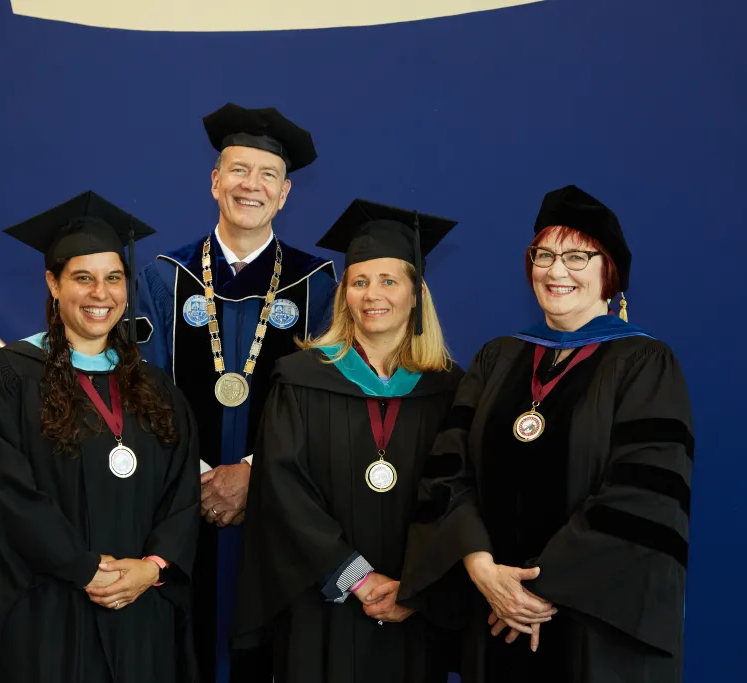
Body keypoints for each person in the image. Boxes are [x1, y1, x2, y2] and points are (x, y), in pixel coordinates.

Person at [399, 185, 694, 682]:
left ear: (609, 272)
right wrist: (481, 568)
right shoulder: (498, 358)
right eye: (545, 254)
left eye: (578, 256)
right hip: (491, 612)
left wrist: (535, 590)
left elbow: (643, 495)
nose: (556, 271)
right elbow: (447, 472)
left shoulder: (644, 363)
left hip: (592, 623)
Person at [0, 191, 201, 683]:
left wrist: (153, 567)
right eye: (82, 278)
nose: (99, 294)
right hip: (46, 608)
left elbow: (182, 493)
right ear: (53, 284)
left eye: (113, 278)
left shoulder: (156, 388)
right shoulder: (5, 378)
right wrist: (81, 566)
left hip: (139, 606)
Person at [136, 103, 338, 683]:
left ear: (285, 193)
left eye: (267, 174)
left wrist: (252, 470)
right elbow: (145, 388)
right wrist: (197, 475)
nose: (251, 185)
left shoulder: (320, 285)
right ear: (215, 181)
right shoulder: (163, 277)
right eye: (239, 169)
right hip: (181, 501)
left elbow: (325, 404)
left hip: (277, 503)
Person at [233, 199, 466, 683]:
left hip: (412, 606)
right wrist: (355, 577)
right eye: (358, 282)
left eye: (388, 281)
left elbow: (459, 496)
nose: (372, 295)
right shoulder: (300, 380)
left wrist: (414, 586)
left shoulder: (450, 390)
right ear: (344, 295)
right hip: (322, 606)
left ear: (416, 294)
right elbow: (282, 491)